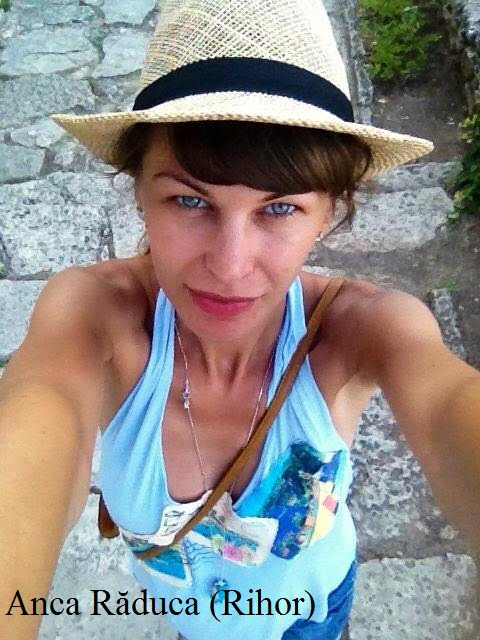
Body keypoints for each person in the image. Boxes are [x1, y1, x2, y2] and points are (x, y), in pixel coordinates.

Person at [0, 0, 479, 639]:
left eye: (279, 209)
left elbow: (448, 405)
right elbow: (30, 436)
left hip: (308, 615)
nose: (230, 267)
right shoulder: (94, 316)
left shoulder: (364, 330)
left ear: (328, 213)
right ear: (139, 192)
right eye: (188, 200)